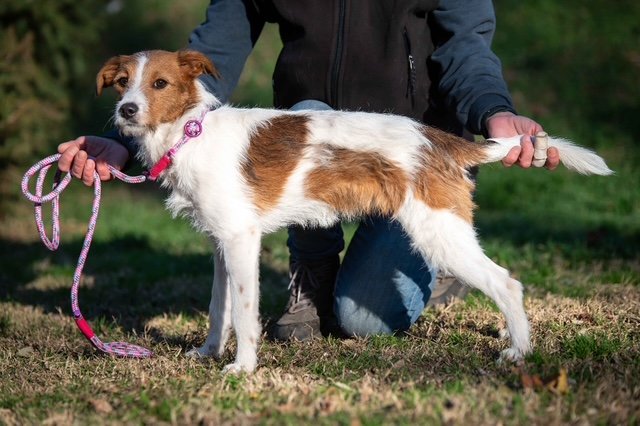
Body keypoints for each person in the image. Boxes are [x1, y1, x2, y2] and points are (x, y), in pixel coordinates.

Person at [58, 0, 560, 342]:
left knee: (365, 319)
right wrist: (131, 139)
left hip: (411, 147)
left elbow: (466, 46)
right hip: (309, 128)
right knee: (355, 318)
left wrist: (494, 111)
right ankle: (313, 273)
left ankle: (444, 266)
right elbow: (211, 53)